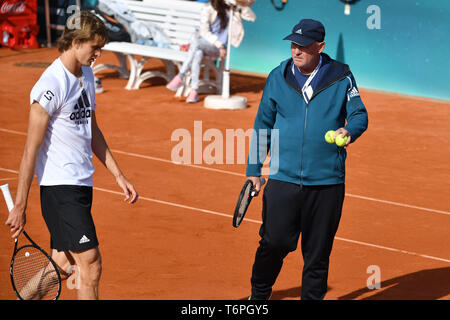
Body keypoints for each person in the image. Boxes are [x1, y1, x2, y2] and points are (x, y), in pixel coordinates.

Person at [4, 11, 138, 300]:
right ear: (76, 42)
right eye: (95, 47)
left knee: (63, 265)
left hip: (80, 185)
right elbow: (30, 151)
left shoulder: (87, 74)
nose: (99, 54)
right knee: (90, 264)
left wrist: (118, 175)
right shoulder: (50, 86)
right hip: (59, 187)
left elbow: (92, 129)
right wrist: (20, 205)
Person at [245, 19, 368, 300]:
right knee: (273, 243)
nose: (296, 51)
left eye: (303, 46)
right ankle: (258, 296)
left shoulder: (341, 76)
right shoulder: (278, 76)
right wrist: (253, 168)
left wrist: (349, 130)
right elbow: (263, 123)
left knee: (317, 254)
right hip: (283, 178)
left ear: (320, 47)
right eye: (293, 45)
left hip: (326, 183)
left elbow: (360, 114)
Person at [165, 0, 255, 103]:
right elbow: (204, 31)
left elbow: (252, 17)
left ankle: (180, 76)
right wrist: (219, 44)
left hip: (218, 50)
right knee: (197, 52)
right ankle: (194, 91)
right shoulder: (207, 8)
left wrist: (242, 5)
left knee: (196, 44)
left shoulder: (231, 9)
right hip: (209, 45)